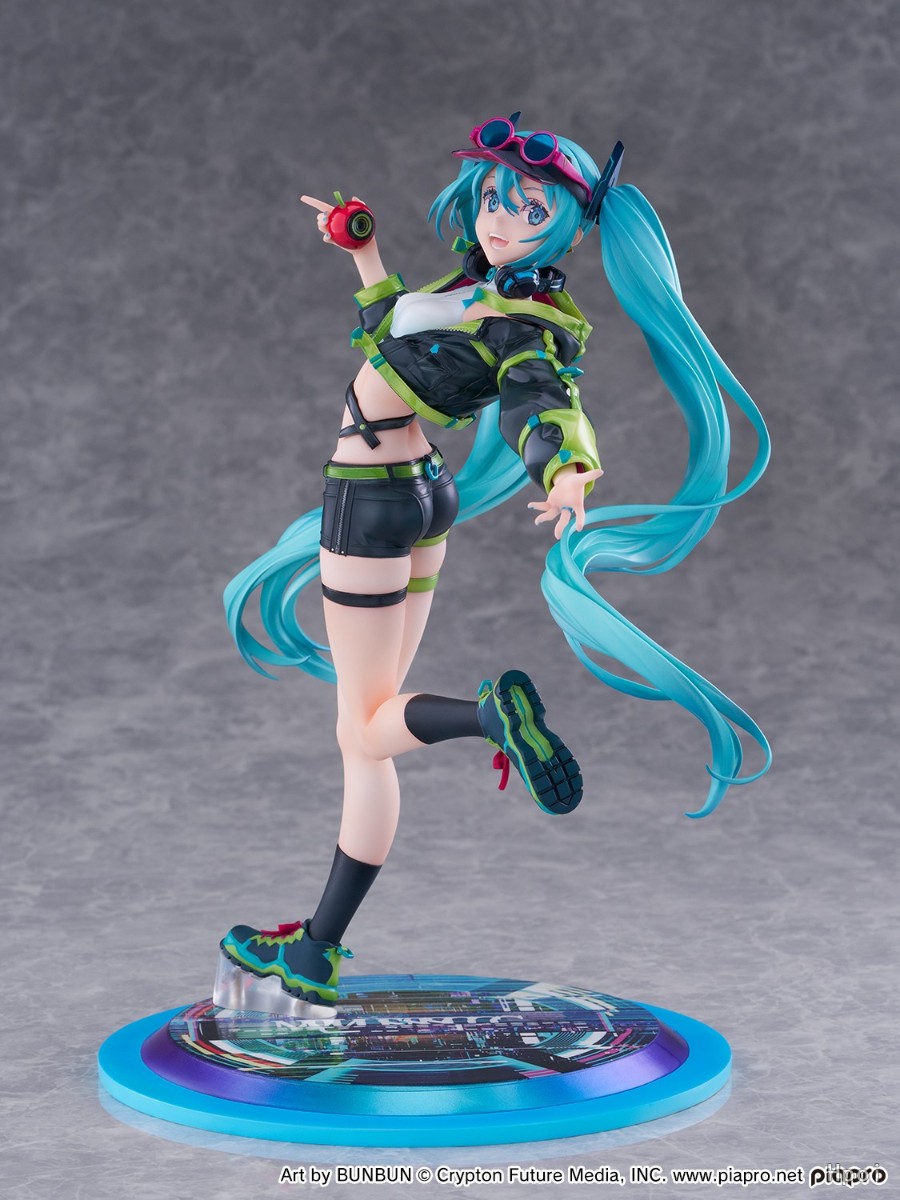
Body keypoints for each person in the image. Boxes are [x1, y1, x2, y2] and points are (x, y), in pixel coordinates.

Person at [217, 115, 771, 1010]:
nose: (504, 220)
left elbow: (538, 399)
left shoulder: (526, 322)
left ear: (570, 229)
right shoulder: (481, 287)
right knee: (367, 737)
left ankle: (488, 716)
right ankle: (315, 952)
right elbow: (393, 340)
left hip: (371, 500)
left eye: (532, 211)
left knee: (363, 732)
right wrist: (363, 252)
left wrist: (567, 465)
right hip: (421, 495)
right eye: (493, 200)